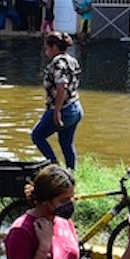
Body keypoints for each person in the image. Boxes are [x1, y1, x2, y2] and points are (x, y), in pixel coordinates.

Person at [32, 32, 82, 168]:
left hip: (63, 109)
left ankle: (54, 166)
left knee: (37, 135)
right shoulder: (72, 60)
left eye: (46, 47)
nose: (45, 51)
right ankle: (71, 173)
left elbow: (62, 86)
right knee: (66, 143)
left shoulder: (58, 63)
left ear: (54, 47)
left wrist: (57, 112)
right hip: (75, 107)